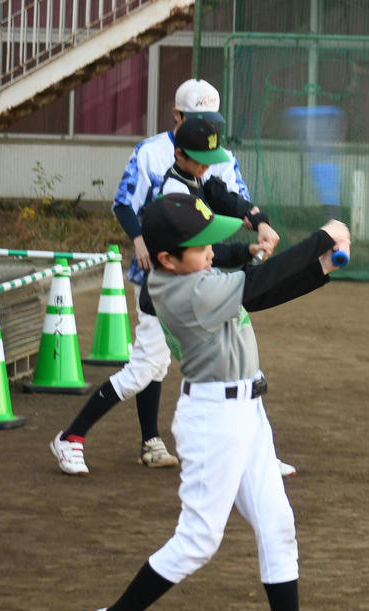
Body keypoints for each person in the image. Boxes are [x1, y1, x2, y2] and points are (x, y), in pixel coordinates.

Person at [76, 193, 352, 611]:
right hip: (213, 419)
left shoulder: (193, 275)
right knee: (199, 539)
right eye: (201, 247)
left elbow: (261, 294)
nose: (212, 252)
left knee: (277, 523)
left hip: (249, 413)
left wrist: (321, 268)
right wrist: (320, 240)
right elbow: (258, 282)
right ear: (166, 259)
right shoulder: (183, 293)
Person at [49, 79, 291, 476]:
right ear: (178, 141)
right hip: (170, 295)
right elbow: (193, 246)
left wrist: (257, 224)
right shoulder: (175, 194)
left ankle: (257, 456)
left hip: (197, 288)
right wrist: (243, 250)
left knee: (243, 365)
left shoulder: (195, 178)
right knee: (146, 369)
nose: (208, 164)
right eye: (200, 157)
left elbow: (225, 198)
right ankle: (71, 437)